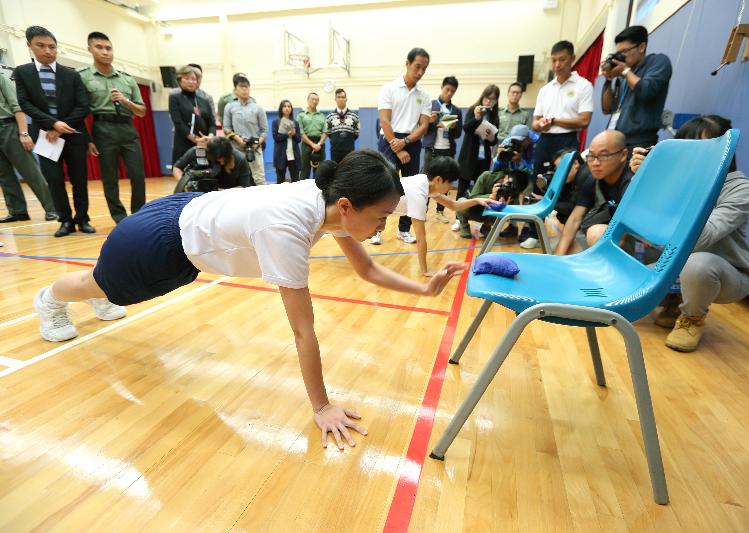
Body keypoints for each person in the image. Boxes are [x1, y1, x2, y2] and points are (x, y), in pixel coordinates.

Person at [32, 149, 466, 449]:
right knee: (101, 284)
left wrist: (425, 288)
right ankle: (49, 298)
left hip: (187, 220)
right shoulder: (289, 229)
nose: (382, 230)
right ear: (350, 206)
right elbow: (302, 331)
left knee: (105, 287)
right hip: (158, 244)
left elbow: (367, 269)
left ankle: (88, 296)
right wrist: (322, 406)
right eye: (381, 218)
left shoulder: (330, 205)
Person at [630, 115, 749, 353]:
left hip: (725, 274)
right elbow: (640, 224)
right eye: (690, 150)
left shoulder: (740, 188)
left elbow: (699, 239)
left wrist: (675, 184)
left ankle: (692, 318)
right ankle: (671, 300)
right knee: (626, 284)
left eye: (705, 149)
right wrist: (647, 179)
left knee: (696, 264)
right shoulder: (677, 181)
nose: (697, 158)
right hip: (672, 263)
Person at [14, 25, 92, 236]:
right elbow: (25, 103)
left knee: (79, 180)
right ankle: (65, 221)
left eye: (52, 46)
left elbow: (83, 105)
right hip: (45, 137)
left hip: (73, 135)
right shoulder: (22, 72)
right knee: (55, 181)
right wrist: (52, 124)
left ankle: (83, 218)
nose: (47, 51)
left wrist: (61, 126)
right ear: (29, 46)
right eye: (41, 46)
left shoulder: (71, 75)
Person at [79, 31, 147, 224]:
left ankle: (139, 215)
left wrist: (125, 101)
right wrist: (88, 139)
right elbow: (81, 111)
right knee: (110, 178)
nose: (105, 52)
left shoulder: (127, 79)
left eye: (108, 48)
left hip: (127, 128)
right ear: (90, 49)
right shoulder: (83, 77)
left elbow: (141, 111)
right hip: (102, 129)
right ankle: (120, 218)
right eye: (99, 48)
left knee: (137, 174)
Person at [390, 156, 490, 275]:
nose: (451, 186)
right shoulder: (418, 195)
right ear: (438, 179)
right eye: (450, 182)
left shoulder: (426, 182)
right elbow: (421, 239)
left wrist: (478, 200)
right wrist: (425, 271)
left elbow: (453, 205)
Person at [373, 47, 433, 245]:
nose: (420, 72)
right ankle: (375, 229)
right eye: (417, 66)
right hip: (389, 140)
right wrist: (397, 148)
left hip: (412, 142)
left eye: (424, 68)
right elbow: (384, 121)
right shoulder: (389, 89)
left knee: (411, 188)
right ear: (407, 63)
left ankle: (404, 230)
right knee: (383, 186)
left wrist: (405, 143)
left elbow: (424, 125)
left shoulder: (424, 95)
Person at [0, 31, 58, 224]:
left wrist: (23, 133)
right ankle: (17, 211)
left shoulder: (1, 77)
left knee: (30, 171)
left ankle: (52, 208)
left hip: (9, 127)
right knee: (4, 174)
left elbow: (16, 106)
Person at [554, 130, 632, 255]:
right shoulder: (594, 178)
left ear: (623, 155)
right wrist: (557, 259)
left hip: (638, 241)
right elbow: (575, 219)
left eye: (603, 156)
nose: (595, 163)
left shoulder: (631, 180)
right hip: (614, 233)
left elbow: (628, 231)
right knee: (568, 248)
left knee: (596, 234)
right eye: (591, 156)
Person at [601, 25, 672, 150]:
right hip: (615, 141)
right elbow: (607, 109)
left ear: (642, 47)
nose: (621, 57)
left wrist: (625, 71)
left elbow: (646, 91)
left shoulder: (658, 61)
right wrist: (608, 79)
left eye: (625, 51)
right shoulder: (626, 74)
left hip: (640, 141)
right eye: (619, 53)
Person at [532, 40, 593, 176]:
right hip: (544, 140)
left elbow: (584, 121)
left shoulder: (583, 86)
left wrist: (554, 121)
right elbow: (534, 123)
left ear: (572, 58)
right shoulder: (545, 90)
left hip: (568, 140)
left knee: (565, 181)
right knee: (539, 180)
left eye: (562, 60)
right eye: (553, 61)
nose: (557, 65)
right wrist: (541, 124)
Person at [422, 76, 463, 224]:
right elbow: (421, 128)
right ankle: (422, 211)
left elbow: (458, 134)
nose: (449, 93)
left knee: (445, 181)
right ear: (442, 87)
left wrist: (454, 127)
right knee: (426, 180)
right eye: (447, 90)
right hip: (431, 149)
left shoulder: (456, 110)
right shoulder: (430, 105)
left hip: (447, 150)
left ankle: (440, 211)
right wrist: (429, 122)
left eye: (453, 91)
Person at [456, 84, 500, 206]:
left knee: (479, 189)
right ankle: (459, 218)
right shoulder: (473, 109)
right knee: (463, 187)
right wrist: (476, 118)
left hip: (483, 158)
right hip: (469, 156)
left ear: (496, 101)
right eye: (486, 98)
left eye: (492, 99)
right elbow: (466, 129)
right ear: (482, 97)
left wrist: (490, 136)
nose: (488, 101)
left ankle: (475, 216)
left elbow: (494, 140)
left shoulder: (494, 116)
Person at [223, 75, 267, 185]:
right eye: (241, 87)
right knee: (237, 179)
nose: (244, 89)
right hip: (236, 149)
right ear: (235, 90)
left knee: (259, 179)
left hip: (254, 149)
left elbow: (265, 130)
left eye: (246, 87)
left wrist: (257, 143)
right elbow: (226, 128)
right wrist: (238, 139)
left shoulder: (258, 108)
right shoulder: (229, 107)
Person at [168, 65, 215, 165]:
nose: (191, 82)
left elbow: (212, 123)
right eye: (187, 78)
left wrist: (209, 138)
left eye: (194, 79)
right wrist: (196, 140)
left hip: (204, 144)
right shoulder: (174, 98)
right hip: (184, 143)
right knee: (185, 175)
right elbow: (178, 123)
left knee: (205, 173)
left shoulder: (205, 101)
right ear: (180, 80)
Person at [172, 136, 252, 191]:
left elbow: (245, 187)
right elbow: (177, 167)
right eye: (217, 160)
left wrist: (224, 192)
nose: (221, 162)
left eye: (223, 159)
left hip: (229, 196)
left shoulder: (239, 159)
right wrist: (184, 184)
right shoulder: (197, 152)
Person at [297, 92, 328, 181]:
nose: (315, 101)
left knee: (320, 171)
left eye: (317, 100)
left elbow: (325, 131)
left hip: (320, 144)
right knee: (304, 170)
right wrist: (312, 145)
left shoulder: (322, 116)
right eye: (312, 99)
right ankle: (302, 192)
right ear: (308, 100)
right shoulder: (301, 115)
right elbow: (301, 133)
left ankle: (318, 191)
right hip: (307, 144)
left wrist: (319, 144)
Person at [325, 88, 359, 164]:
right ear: (335, 99)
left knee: (348, 170)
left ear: (346, 99)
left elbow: (356, 133)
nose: (341, 99)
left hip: (349, 150)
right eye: (339, 97)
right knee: (335, 171)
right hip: (335, 150)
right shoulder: (330, 116)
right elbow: (329, 133)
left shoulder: (354, 116)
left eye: (343, 97)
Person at [272, 99, 301, 183]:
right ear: (281, 108)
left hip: (293, 154)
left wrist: (294, 134)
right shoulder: (276, 122)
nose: (287, 108)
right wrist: (287, 134)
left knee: (296, 179)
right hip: (281, 154)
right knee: (280, 179)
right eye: (284, 106)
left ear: (291, 109)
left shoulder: (295, 122)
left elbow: (298, 139)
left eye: (289, 106)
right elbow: (276, 138)